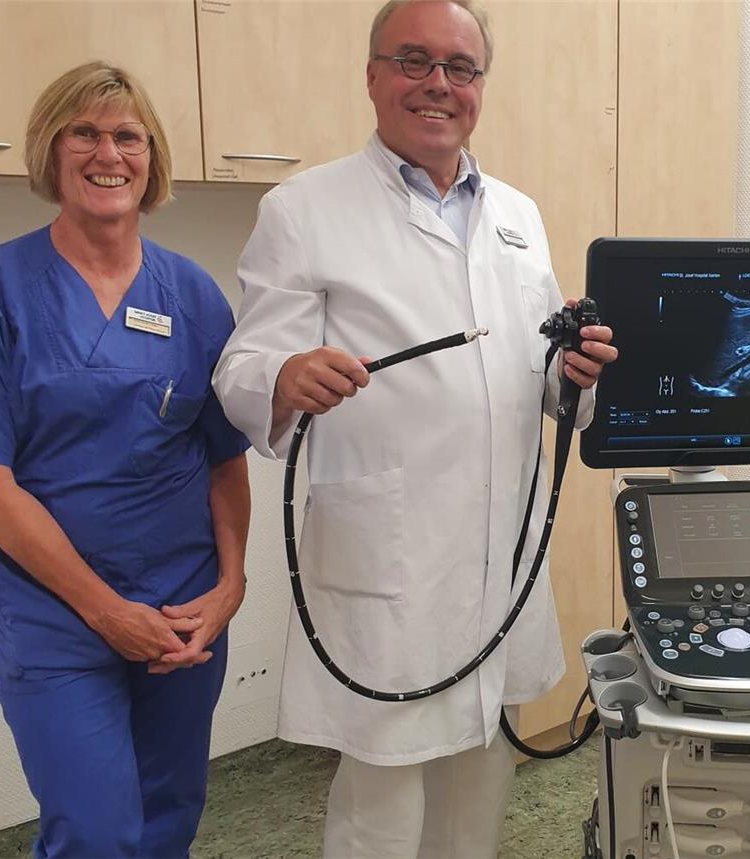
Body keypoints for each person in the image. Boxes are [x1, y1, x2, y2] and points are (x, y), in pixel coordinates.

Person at [211, 1, 617, 856]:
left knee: (482, 772)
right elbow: (243, 368)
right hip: (387, 552)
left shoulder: (517, 214)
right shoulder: (304, 207)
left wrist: (574, 370)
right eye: (414, 60)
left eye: (460, 68)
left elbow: (540, 375)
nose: (438, 84)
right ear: (372, 76)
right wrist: (284, 376)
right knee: (382, 796)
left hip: (498, 552)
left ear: (479, 87)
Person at [0, 61, 251, 858]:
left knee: (168, 819)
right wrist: (104, 610)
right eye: (83, 132)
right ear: (50, 152)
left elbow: (225, 458)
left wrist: (230, 585)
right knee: (95, 832)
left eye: (128, 135)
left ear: (151, 158)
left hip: (185, 612)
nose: (108, 152)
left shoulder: (193, 295)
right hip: (55, 617)